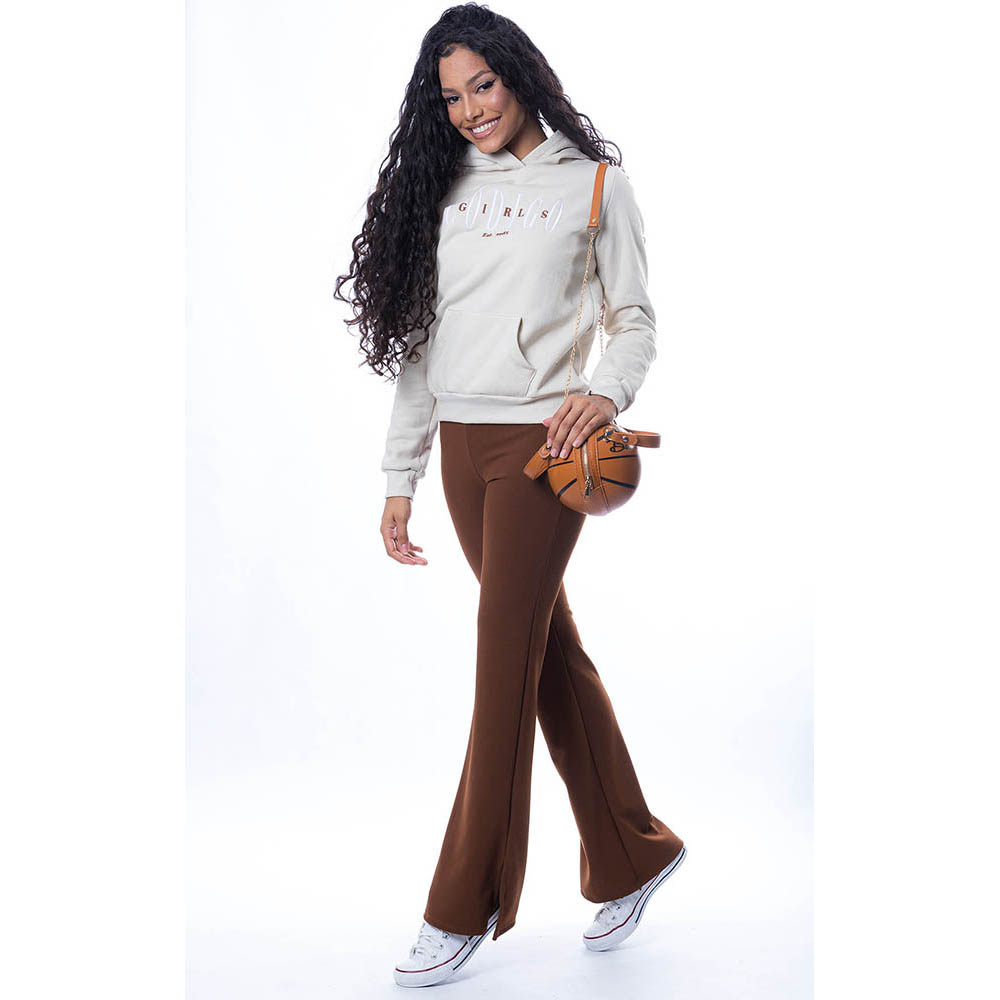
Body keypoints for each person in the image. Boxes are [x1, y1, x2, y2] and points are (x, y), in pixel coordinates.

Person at [335, 4, 686, 988]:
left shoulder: (594, 185)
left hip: (545, 452)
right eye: (450, 97)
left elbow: (634, 320)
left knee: (501, 668)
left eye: (482, 85)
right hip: (459, 447)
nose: (470, 110)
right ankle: (634, 851)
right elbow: (420, 345)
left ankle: (461, 904)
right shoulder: (443, 186)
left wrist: (602, 392)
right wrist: (399, 474)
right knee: (545, 653)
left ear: (519, 75)